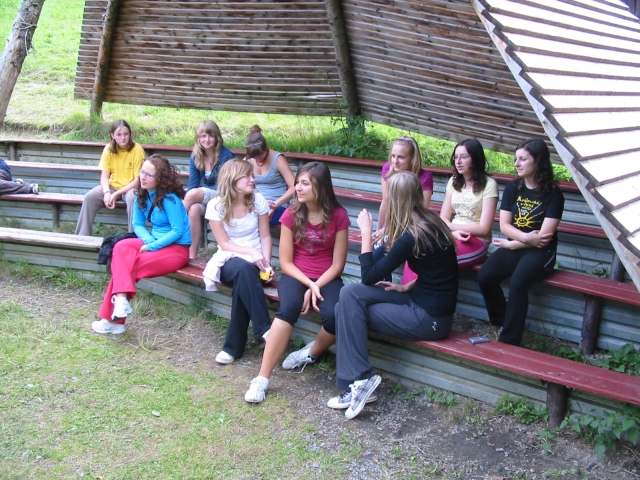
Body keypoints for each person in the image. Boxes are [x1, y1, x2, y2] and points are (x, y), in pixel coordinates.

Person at [328, 171, 458, 420]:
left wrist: (366, 233)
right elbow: (439, 269)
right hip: (419, 300)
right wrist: (407, 287)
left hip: (429, 319)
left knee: (345, 308)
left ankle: (358, 380)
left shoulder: (412, 235)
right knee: (349, 294)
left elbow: (369, 276)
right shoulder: (429, 221)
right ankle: (359, 381)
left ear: (395, 200)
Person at [244, 161, 349, 403]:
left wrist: (317, 284)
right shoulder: (291, 214)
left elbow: (338, 265)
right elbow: (286, 262)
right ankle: (262, 378)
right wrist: (309, 285)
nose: (298, 188)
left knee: (336, 314)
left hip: (327, 276)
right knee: (289, 307)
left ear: (320, 187)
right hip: (296, 274)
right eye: (297, 182)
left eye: (305, 183)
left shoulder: (339, 216)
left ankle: (310, 353)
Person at [477, 139, 564, 347]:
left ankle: (509, 342)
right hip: (518, 243)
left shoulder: (554, 194)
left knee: (518, 283)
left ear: (538, 161)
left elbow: (543, 238)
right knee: (485, 276)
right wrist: (523, 239)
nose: (517, 163)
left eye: (523, 159)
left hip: (542, 251)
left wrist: (513, 244)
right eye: (516, 159)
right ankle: (502, 321)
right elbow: (505, 226)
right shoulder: (513, 188)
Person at [92, 154, 191, 334]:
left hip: (176, 249)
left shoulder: (170, 199)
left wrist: (153, 246)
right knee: (121, 246)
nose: (143, 177)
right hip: (154, 241)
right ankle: (121, 303)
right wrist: (149, 241)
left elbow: (177, 231)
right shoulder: (142, 194)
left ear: (160, 178)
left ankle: (113, 321)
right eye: (142, 172)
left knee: (128, 266)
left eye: (149, 174)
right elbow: (137, 224)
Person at [202, 159, 273, 364]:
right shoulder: (216, 205)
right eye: (247, 176)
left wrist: (267, 263)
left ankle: (233, 348)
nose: (252, 179)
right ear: (232, 179)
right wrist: (250, 252)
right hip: (229, 258)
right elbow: (224, 244)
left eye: (252, 175)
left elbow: (265, 236)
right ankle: (265, 328)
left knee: (245, 279)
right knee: (243, 270)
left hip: (256, 261)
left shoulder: (257, 200)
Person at [76, 120, 144, 236]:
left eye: (126, 134)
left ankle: (132, 237)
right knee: (89, 197)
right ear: (112, 135)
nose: (123, 138)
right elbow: (104, 176)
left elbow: (137, 181)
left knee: (133, 199)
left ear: (130, 134)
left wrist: (116, 194)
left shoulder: (137, 149)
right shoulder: (108, 149)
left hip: (131, 188)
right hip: (112, 186)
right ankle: (82, 237)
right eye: (119, 134)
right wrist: (107, 192)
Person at [439, 138, 498, 269]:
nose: (458, 161)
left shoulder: (489, 184)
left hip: (476, 241)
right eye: (456, 157)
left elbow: (484, 229)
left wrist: (450, 226)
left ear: (475, 159)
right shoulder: (453, 181)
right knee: (417, 251)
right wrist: (452, 231)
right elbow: (443, 217)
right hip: (452, 235)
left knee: (437, 260)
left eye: (464, 157)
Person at [183, 120, 235, 259]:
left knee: (193, 193)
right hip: (205, 195)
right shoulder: (195, 156)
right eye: (203, 136)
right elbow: (193, 184)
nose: (207, 139)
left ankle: (174, 223)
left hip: (223, 195)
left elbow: (225, 186)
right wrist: (198, 193)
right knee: (193, 209)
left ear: (217, 137)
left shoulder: (226, 156)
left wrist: (200, 192)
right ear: (198, 138)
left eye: (211, 136)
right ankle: (192, 255)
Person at [373, 136, 433, 243]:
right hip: (389, 225)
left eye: (401, 157)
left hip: (412, 228)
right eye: (393, 156)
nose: (395, 161)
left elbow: (421, 213)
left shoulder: (424, 177)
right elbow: (385, 202)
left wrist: (390, 231)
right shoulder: (388, 168)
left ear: (412, 158)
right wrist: (378, 230)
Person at [244, 125, 295, 227]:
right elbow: (237, 183)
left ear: (266, 147)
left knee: (256, 220)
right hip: (257, 203)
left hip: (278, 204)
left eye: (260, 154)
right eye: (254, 156)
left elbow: (294, 186)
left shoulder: (278, 159)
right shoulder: (248, 160)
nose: (258, 158)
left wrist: (274, 205)